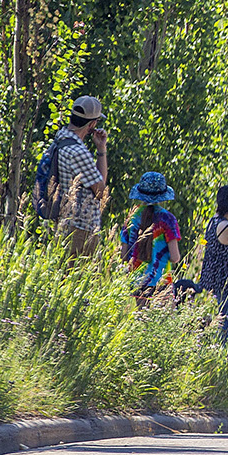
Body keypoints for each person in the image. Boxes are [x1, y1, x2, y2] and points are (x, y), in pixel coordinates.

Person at [43, 95, 108, 255]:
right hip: (81, 227)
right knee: (80, 277)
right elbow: (100, 191)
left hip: (64, 221)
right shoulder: (79, 152)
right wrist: (102, 151)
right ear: (92, 124)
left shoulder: (59, 141)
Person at [120, 172, 182, 302]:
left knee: (141, 319)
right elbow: (175, 257)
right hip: (162, 282)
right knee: (162, 321)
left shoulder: (131, 218)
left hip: (137, 282)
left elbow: (124, 256)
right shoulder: (168, 219)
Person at [198, 184, 228, 343]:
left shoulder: (212, 222)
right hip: (226, 287)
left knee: (207, 330)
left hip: (209, 284)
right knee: (223, 332)